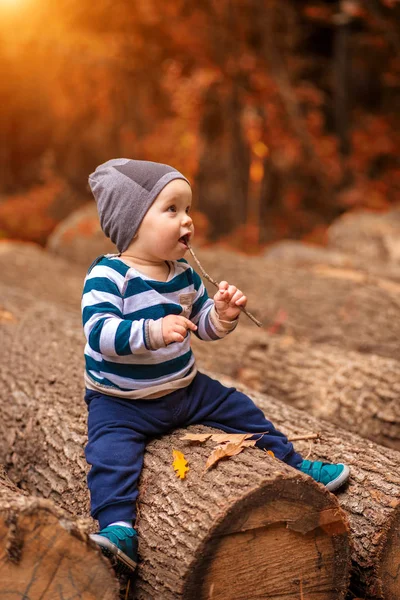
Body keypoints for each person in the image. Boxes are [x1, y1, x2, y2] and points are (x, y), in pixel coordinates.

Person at [83, 158, 350, 574]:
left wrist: (222, 316)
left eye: (187, 209)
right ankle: (118, 529)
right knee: (109, 455)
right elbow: (99, 334)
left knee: (240, 408)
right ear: (132, 222)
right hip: (122, 402)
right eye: (171, 210)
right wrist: (152, 331)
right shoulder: (108, 276)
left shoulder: (184, 274)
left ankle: (295, 464)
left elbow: (201, 326)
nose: (187, 220)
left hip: (184, 389)